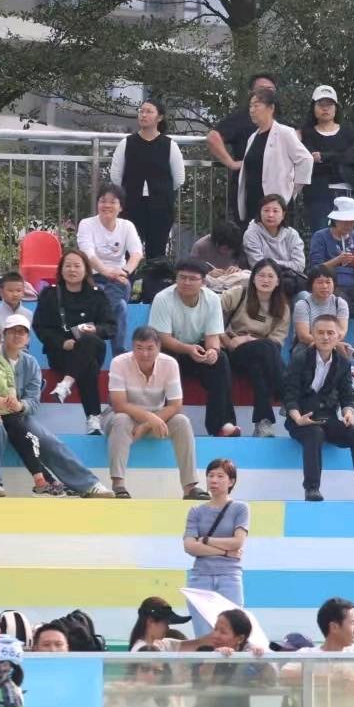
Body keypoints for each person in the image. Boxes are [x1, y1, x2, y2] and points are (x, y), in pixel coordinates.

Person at [0, 315, 112, 498]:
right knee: (8, 432)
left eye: (22, 332)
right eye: (12, 331)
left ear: (28, 338)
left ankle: (88, 485)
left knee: (49, 440)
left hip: (18, 414)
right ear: (3, 334)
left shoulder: (30, 363)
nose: (17, 335)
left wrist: (20, 405)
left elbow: (33, 402)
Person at [283, 314, 354, 502]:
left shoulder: (342, 363)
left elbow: (346, 395)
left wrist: (348, 413)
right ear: (313, 334)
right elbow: (289, 395)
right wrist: (298, 418)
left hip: (328, 418)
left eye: (330, 333)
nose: (325, 337)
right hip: (300, 420)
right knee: (315, 433)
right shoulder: (300, 359)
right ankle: (312, 488)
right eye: (320, 332)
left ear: (338, 336)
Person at [106, 326, 202, 500]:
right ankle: (118, 484)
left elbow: (176, 405)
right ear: (132, 347)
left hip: (156, 418)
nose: (145, 354)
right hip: (123, 416)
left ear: (159, 347)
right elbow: (119, 404)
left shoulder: (170, 364)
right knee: (121, 419)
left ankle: (190, 487)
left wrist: (147, 424)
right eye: (139, 348)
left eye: (150, 348)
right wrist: (149, 418)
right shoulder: (119, 362)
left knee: (182, 421)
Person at [150, 259, 238, 437]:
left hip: (197, 349)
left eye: (192, 279)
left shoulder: (212, 299)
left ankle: (221, 424)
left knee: (220, 360)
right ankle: (165, 421)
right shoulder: (162, 298)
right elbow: (162, 338)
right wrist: (189, 349)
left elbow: (212, 337)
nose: (186, 282)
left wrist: (212, 352)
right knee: (165, 358)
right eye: (182, 277)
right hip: (171, 348)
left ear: (203, 282)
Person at [0, 319, 52, 498]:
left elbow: (11, 381)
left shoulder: (4, 360)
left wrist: (13, 398)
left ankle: (41, 478)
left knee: (24, 432)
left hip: (8, 412)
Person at [33, 248, 115, 431]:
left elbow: (111, 327)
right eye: (68, 266)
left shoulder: (97, 294)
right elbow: (40, 327)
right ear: (61, 269)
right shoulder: (50, 295)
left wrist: (94, 329)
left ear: (86, 269)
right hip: (62, 353)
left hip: (93, 347)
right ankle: (93, 419)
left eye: (77, 266)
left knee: (88, 342)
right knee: (88, 365)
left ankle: (66, 384)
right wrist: (62, 343)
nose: (72, 270)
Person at [220, 260, 291, 435]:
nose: (265, 280)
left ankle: (263, 423)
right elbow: (211, 313)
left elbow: (276, 343)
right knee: (266, 349)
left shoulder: (282, 308)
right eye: (261, 275)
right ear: (253, 278)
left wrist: (247, 339)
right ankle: (288, 397)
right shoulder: (239, 293)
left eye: (270, 276)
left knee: (259, 366)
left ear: (278, 281)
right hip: (233, 351)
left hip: (261, 354)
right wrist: (227, 340)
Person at [110, 97, 183, 265]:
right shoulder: (126, 143)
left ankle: (154, 281)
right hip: (131, 204)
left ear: (159, 117)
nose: (143, 115)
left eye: (149, 112)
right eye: (141, 111)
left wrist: (160, 191)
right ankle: (127, 279)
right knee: (128, 251)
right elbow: (116, 176)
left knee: (157, 253)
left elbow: (179, 178)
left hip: (160, 206)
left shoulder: (169, 145)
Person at [77, 183, 144, 362]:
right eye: (102, 201)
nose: (106, 205)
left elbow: (137, 253)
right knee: (120, 306)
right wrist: (106, 271)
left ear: (120, 207)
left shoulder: (127, 226)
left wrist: (124, 272)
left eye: (112, 202)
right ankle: (119, 355)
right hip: (93, 277)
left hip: (119, 279)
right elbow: (88, 254)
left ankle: (95, 325)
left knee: (113, 291)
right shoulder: (86, 224)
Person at [236, 87, 313, 226]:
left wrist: (292, 189)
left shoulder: (284, 133)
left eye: (256, 105)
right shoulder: (252, 137)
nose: (252, 110)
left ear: (271, 108)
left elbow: (306, 160)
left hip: (276, 205)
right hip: (253, 201)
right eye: (250, 106)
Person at [295, 84, 354, 233]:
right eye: (321, 104)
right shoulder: (306, 134)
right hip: (317, 194)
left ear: (336, 108)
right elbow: (309, 163)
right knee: (321, 233)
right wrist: (339, 158)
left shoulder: (347, 132)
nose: (325, 108)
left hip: (346, 191)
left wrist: (324, 157)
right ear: (313, 107)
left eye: (330, 104)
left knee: (351, 236)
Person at [307, 195, 354, 345]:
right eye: (345, 221)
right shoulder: (320, 236)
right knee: (341, 301)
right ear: (335, 220)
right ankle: (337, 345)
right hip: (331, 283)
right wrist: (338, 261)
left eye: (352, 221)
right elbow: (315, 268)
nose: (349, 225)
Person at [184, 458, 249, 605]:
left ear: (231, 482)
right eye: (210, 475)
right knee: (201, 621)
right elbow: (190, 546)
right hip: (200, 577)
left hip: (229, 576)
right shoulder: (196, 511)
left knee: (231, 619)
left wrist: (205, 540)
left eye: (220, 476)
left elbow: (237, 542)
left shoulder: (240, 508)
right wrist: (225, 552)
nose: (214, 480)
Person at [206, 72, 276, 176]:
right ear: (251, 93)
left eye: (270, 89)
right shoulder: (240, 119)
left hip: (275, 182)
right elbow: (213, 137)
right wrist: (231, 163)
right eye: (261, 89)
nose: (266, 93)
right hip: (246, 180)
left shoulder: (282, 123)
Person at [243, 193, 307, 297]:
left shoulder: (292, 234)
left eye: (275, 211)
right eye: (266, 210)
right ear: (260, 212)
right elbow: (257, 265)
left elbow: (299, 265)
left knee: (304, 296)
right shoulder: (251, 234)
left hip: (290, 283)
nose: (270, 215)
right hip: (263, 283)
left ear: (283, 214)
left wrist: (269, 261)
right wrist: (286, 264)